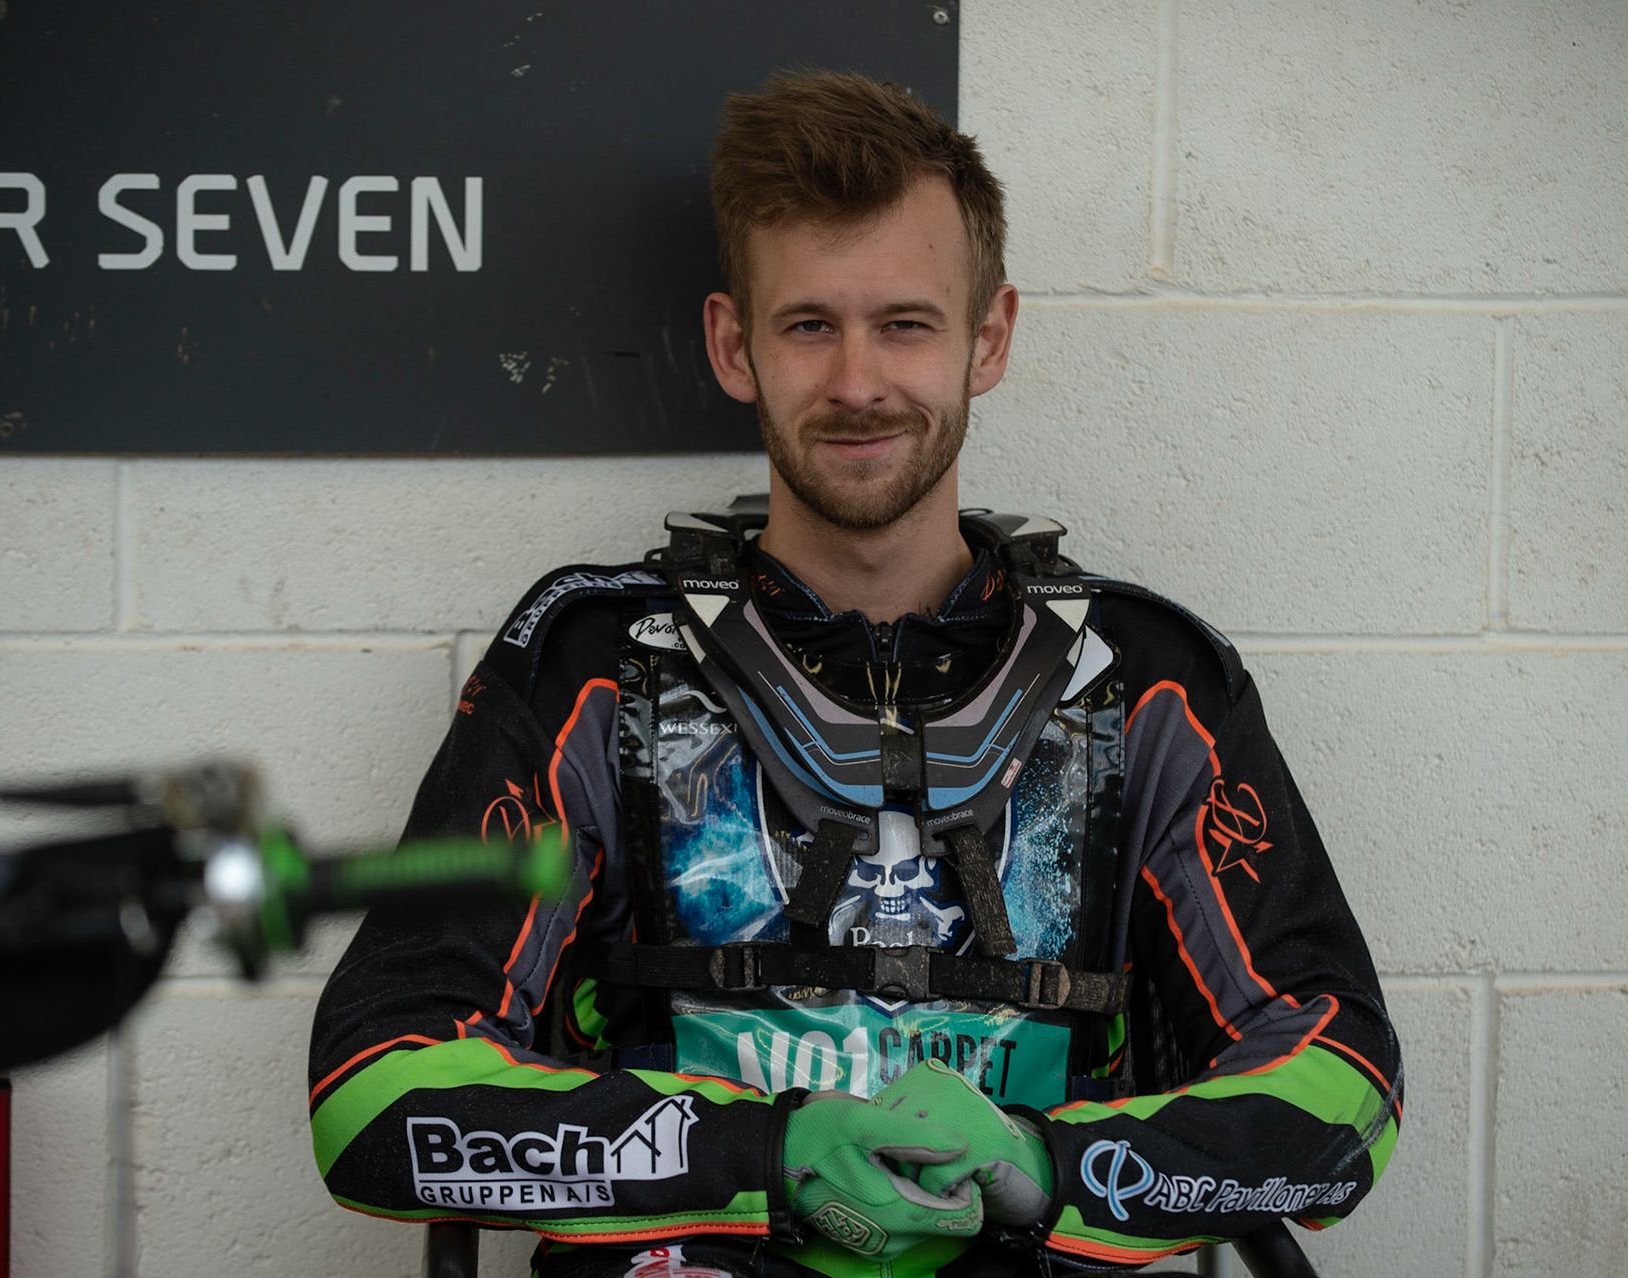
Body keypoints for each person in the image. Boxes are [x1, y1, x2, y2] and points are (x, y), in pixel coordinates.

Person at [309, 71, 1401, 1278]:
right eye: (810, 325)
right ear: (735, 345)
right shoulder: (591, 667)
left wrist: (1052, 1169)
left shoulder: (1146, 684)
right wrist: (761, 1156)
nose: (859, 384)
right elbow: (375, 1090)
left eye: (907, 324)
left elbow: (1341, 1081)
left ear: (988, 339)